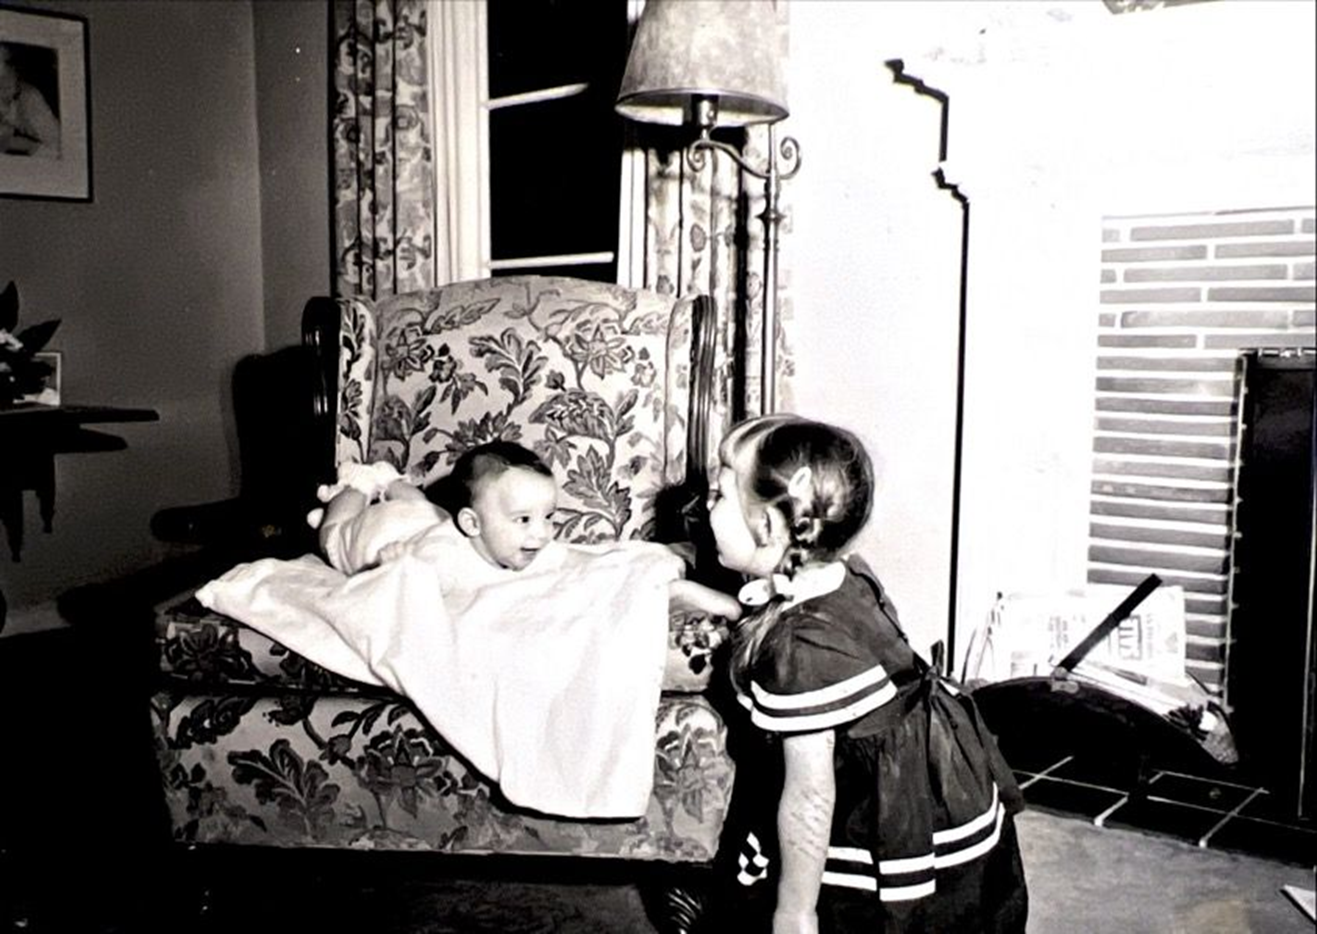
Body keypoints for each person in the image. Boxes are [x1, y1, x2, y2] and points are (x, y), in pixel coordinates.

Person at [704, 414, 1028, 933]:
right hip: (938, 766)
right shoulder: (844, 573)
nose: (706, 507)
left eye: (719, 494)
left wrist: (795, 912)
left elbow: (810, 800)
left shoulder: (798, 648)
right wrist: (710, 600)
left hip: (878, 802)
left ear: (767, 526)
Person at [315, 440, 558, 577]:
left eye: (548, 516)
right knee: (333, 533)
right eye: (524, 519)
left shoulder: (528, 547)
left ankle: (390, 480)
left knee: (421, 505)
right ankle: (356, 484)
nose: (543, 533)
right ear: (472, 523)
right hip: (374, 533)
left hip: (426, 516)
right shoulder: (435, 560)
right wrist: (391, 571)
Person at [0, 42, 61, 158]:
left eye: (5, 78)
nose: (4, 87)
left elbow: (59, 149)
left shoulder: (29, 97)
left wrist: (27, 146)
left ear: (15, 71)